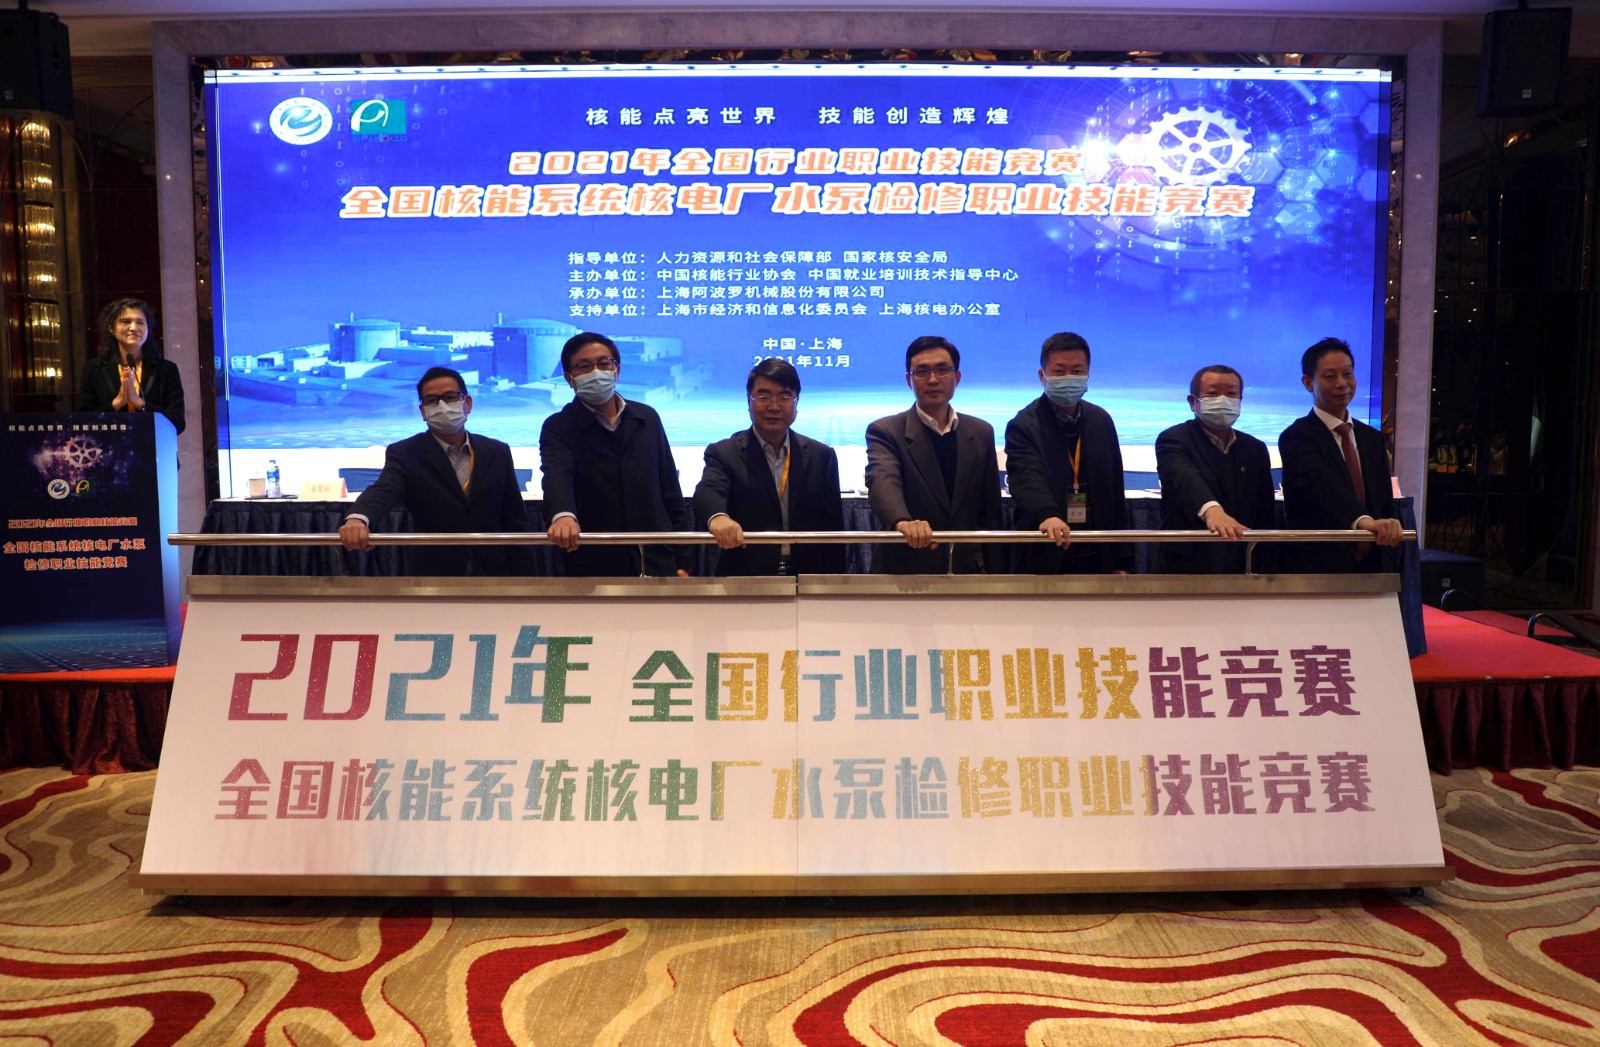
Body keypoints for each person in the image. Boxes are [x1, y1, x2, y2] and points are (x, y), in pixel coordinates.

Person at [339, 366, 534, 576]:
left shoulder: (497, 451)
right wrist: (358, 518)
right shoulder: (405, 453)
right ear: (423, 411)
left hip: (495, 571)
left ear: (467, 403)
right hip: (434, 575)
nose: (442, 406)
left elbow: (515, 519)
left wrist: (527, 580)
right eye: (432, 401)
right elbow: (384, 489)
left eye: (450, 397)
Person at [540, 332, 692, 577]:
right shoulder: (558, 427)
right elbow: (557, 476)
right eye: (584, 366)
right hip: (597, 564)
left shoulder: (646, 418)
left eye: (604, 363)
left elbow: (669, 490)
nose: (596, 372)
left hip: (658, 560)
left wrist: (683, 561)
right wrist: (563, 515)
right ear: (569, 378)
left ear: (617, 370)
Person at [693, 358, 845, 576]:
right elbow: (709, 490)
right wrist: (718, 517)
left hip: (807, 578)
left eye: (784, 397)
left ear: (796, 402)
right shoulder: (724, 453)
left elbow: (833, 532)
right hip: (747, 579)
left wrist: (836, 584)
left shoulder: (822, 456)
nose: (774, 406)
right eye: (763, 397)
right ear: (748, 401)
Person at [865, 335, 1004, 574]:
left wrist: (997, 576)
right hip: (905, 570)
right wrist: (902, 521)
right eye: (921, 371)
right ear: (909, 380)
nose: (932, 379)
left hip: (966, 569)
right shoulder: (886, 431)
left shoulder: (981, 432)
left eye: (942, 370)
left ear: (957, 377)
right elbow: (883, 481)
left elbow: (990, 511)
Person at [1005, 331, 1131, 574]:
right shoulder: (1024, 425)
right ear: (1042, 376)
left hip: (1099, 552)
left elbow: (1116, 490)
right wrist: (1047, 514)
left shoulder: (1101, 420)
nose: (1069, 378)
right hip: (1047, 550)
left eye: (1077, 371)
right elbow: (1026, 478)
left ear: (1088, 375)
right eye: (1060, 371)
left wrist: (1122, 560)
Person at [1278, 337, 1404, 572]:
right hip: (1319, 565)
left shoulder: (1372, 438)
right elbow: (1323, 488)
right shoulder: (1296, 437)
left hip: (1374, 565)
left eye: (1347, 374)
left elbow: (1384, 501)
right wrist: (1365, 522)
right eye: (1330, 376)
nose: (1342, 383)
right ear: (1308, 383)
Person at [1154, 364, 1277, 574]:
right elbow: (1184, 480)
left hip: (1244, 565)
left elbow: (1265, 513)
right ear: (1193, 402)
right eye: (1212, 393)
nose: (1223, 400)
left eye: (1231, 394)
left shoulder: (1255, 448)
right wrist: (1212, 511)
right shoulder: (1173, 439)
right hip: (1186, 567)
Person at [79, 298, 185, 434]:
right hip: (110, 445)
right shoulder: (94, 369)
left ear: (148, 329)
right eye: (126, 322)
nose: (133, 328)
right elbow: (83, 423)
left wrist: (140, 403)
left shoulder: (166, 370)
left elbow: (178, 423)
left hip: (153, 446)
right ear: (111, 328)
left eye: (140, 322)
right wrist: (117, 403)